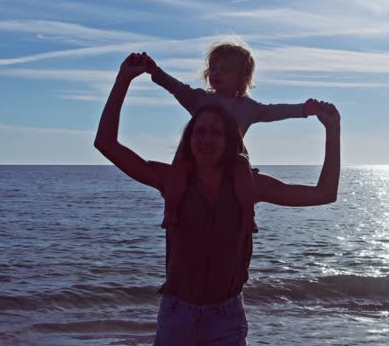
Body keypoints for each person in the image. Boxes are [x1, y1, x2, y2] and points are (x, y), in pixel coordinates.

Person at [94, 53, 341, 345]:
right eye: (199, 132)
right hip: (177, 314)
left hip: (226, 318)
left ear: (230, 142)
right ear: (189, 138)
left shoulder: (249, 185)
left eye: (216, 133)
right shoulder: (173, 180)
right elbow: (106, 144)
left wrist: (332, 129)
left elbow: (324, 194)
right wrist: (124, 79)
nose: (206, 139)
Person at [140, 43, 326, 234]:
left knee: (242, 167)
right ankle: (171, 210)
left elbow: (274, 111)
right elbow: (175, 87)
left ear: (243, 79)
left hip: (231, 161)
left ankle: (247, 215)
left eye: (225, 70)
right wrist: (154, 70)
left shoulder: (249, 108)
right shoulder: (199, 99)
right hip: (198, 159)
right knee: (180, 165)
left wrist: (304, 110)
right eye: (213, 68)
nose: (216, 73)